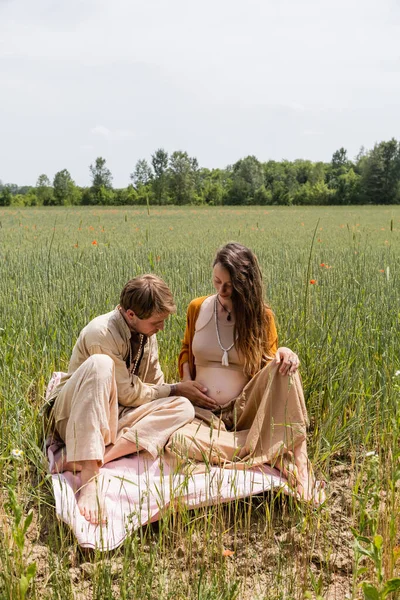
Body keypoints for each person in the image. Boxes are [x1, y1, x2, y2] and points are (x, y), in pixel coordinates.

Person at [46, 275, 212, 525]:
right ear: (131, 315)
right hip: (73, 415)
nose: (162, 327)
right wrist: (176, 388)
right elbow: (128, 393)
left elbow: (156, 386)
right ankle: (89, 476)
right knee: (101, 365)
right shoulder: (100, 332)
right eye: (157, 321)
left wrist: (179, 394)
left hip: (117, 414)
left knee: (182, 408)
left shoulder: (148, 335)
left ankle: (85, 458)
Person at [168, 243, 325, 505]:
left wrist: (284, 353)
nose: (221, 290)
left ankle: (299, 460)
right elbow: (186, 350)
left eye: (229, 285)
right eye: (217, 281)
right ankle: (260, 449)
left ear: (245, 285)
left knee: (287, 365)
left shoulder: (262, 317)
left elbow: (268, 369)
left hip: (245, 411)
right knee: (177, 440)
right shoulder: (197, 308)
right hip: (203, 414)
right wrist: (187, 383)